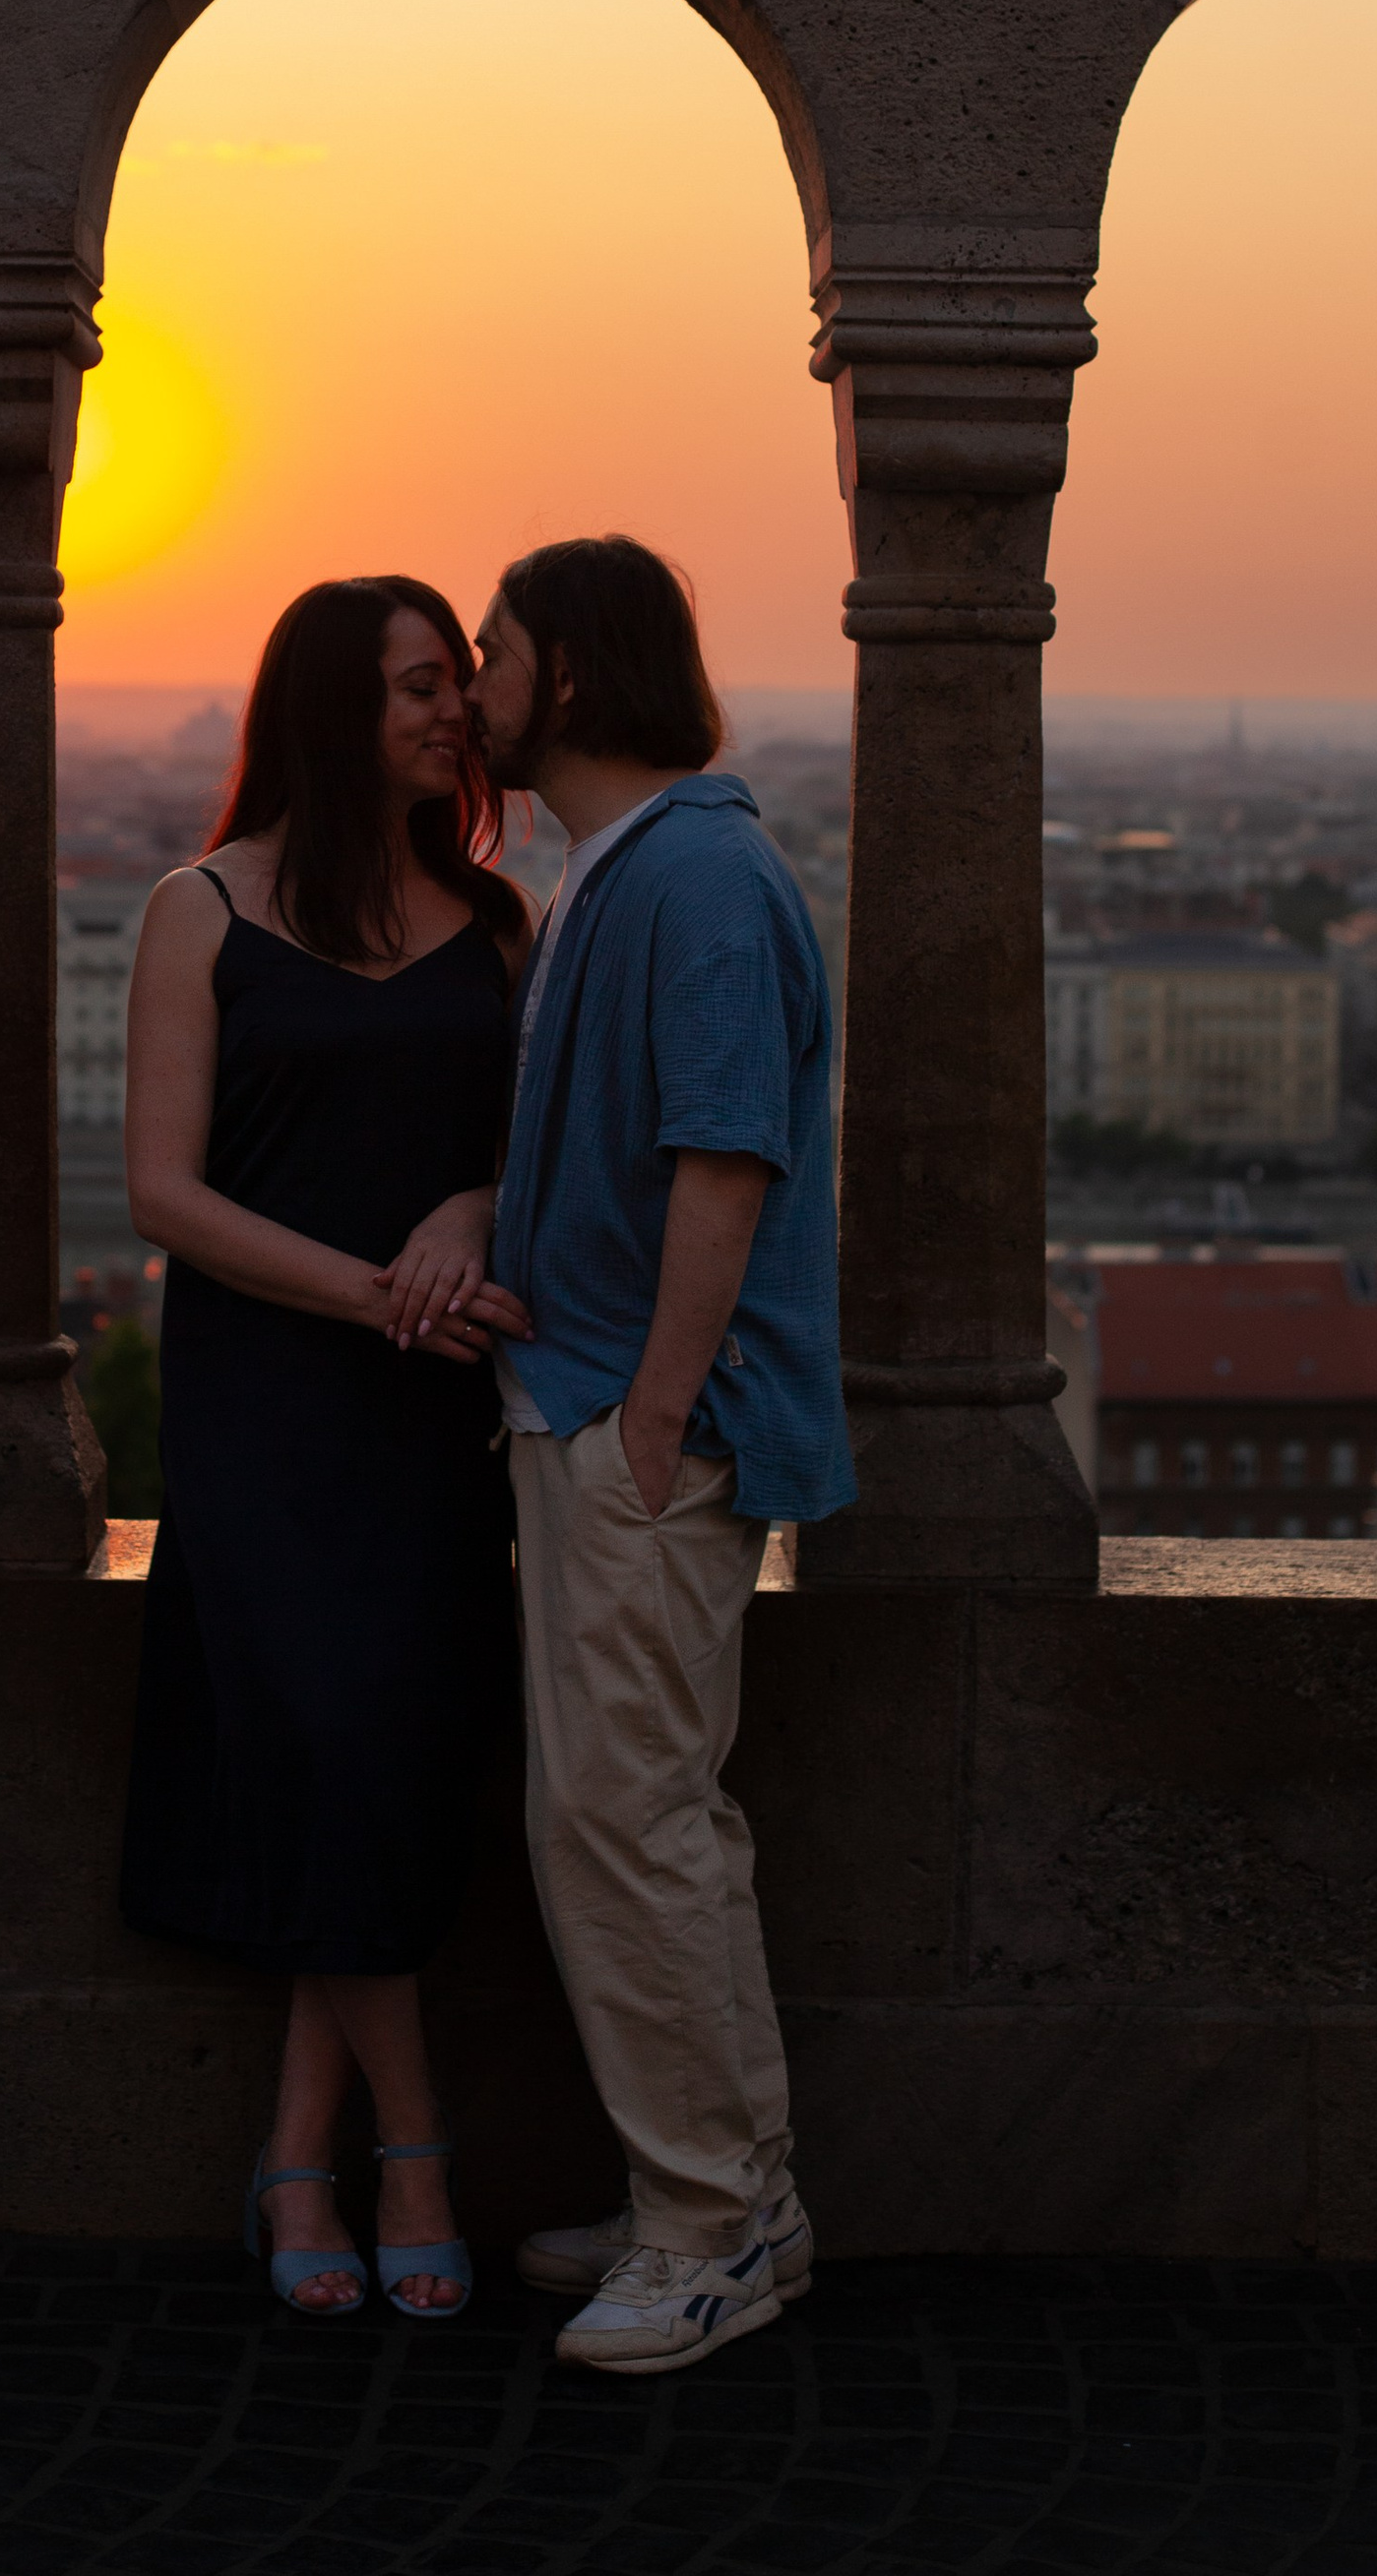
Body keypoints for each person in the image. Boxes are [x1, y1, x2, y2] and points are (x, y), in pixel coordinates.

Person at [461, 536, 853, 2377]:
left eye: (493, 654)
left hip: (640, 1430)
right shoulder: (631, 871)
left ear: (573, 678)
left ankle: (702, 2226)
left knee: (621, 1829)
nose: (473, 687)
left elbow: (723, 1158)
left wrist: (649, 1421)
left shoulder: (690, 876)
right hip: (610, 1410)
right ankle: (726, 2199)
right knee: (650, 1829)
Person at [120, 579, 535, 2320]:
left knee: (359, 1771)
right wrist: (379, 1292)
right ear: (324, 709)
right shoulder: (198, 911)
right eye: (415, 688)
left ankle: (299, 2164)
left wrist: (472, 1204)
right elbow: (164, 1194)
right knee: (341, 1746)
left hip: (437, 1418)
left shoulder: (498, 921)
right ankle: (415, 2148)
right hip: (273, 1413)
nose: (453, 711)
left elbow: (562, 1164)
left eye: (454, 682)